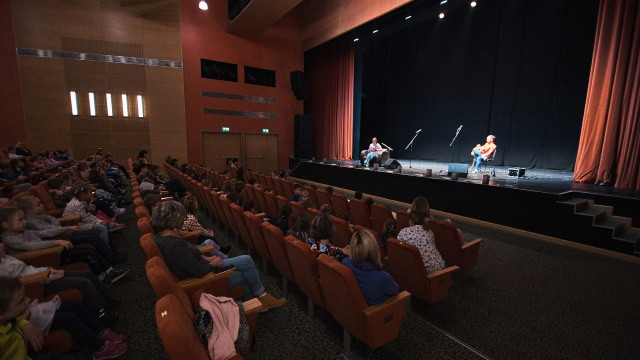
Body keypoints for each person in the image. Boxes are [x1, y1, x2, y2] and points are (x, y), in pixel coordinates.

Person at [152, 201, 285, 309]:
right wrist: (213, 263)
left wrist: (207, 257)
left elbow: (189, 256)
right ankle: (261, 296)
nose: (184, 219)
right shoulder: (175, 245)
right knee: (246, 261)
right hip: (203, 282)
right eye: (182, 217)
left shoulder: (162, 237)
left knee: (245, 271)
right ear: (174, 221)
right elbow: (198, 271)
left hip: (204, 269)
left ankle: (255, 304)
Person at [0, 276, 127, 360]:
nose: (28, 300)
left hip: (25, 328)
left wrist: (23, 323)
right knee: (69, 318)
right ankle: (100, 347)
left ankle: (101, 333)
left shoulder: (10, 317)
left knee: (74, 305)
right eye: (20, 301)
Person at [341, 230, 399, 305]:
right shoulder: (384, 277)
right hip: (380, 311)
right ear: (374, 250)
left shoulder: (345, 263)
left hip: (359, 306)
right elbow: (395, 291)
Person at [396, 197, 445, 273]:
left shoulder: (403, 231)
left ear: (410, 221)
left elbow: (398, 252)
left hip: (419, 270)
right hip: (437, 268)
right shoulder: (430, 231)